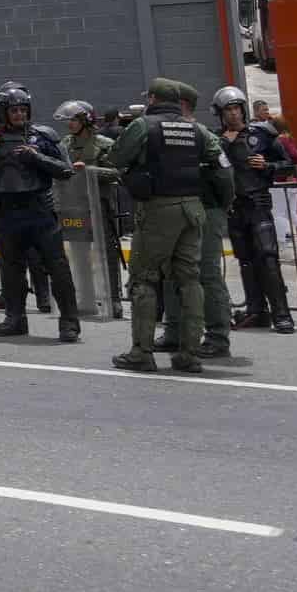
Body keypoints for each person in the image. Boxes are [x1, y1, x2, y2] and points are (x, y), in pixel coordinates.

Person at [111, 80, 233, 373]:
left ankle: (142, 351)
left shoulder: (144, 126)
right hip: (193, 209)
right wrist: (225, 203)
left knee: (144, 278)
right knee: (190, 279)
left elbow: (116, 157)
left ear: (153, 98)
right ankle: (188, 354)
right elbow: (223, 168)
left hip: (157, 209)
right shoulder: (198, 130)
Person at [0, 82, 80, 342]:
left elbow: (65, 170)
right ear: (3, 113)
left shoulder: (43, 136)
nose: (19, 114)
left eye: (23, 109)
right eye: (14, 110)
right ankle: (15, 318)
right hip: (7, 214)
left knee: (57, 268)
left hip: (40, 212)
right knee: (11, 270)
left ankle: (69, 322)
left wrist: (36, 157)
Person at [217, 86, 295, 333]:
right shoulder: (215, 140)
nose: (233, 114)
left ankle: (282, 314)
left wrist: (268, 164)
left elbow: (289, 164)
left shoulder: (261, 135)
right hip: (233, 208)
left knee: (268, 258)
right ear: (220, 113)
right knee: (246, 262)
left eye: (236, 108)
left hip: (258, 204)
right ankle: (256, 311)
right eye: (228, 110)